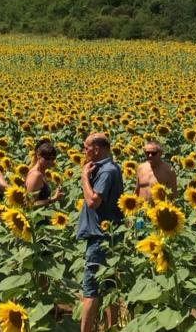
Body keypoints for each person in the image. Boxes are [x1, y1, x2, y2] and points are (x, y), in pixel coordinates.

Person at [77, 133, 123, 332]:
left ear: (96, 149)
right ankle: (112, 327)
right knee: (110, 287)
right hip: (107, 236)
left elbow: (93, 201)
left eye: (86, 147)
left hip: (100, 237)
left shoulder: (106, 171)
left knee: (91, 291)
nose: (84, 151)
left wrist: (84, 178)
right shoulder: (110, 168)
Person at [25, 139, 64, 207]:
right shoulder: (36, 175)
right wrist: (54, 198)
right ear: (38, 155)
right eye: (47, 158)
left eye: (53, 158)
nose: (50, 161)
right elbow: (31, 204)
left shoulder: (42, 172)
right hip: (37, 217)